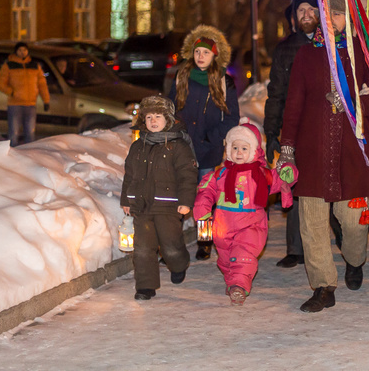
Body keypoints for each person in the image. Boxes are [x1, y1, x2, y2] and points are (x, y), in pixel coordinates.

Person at [278, 0, 369, 313]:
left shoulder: (363, 54)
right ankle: (323, 285)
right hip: (313, 155)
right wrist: (287, 147)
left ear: (347, 17)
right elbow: (293, 104)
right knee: (312, 225)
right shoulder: (306, 56)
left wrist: (353, 103)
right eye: (329, 13)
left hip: (353, 158)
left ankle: (355, 259)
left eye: (339, 13)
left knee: (354, 223)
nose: (333, 19)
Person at [193, 121, 297, 305]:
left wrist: (288, 173)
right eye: (235, 148)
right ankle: (233, 281)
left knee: (243, 255)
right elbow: (206, 191)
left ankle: (239, 286)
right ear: (228, 150)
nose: (239, 152)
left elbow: (280, 180)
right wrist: (203, 207)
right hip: (222, 228)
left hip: (251, 225)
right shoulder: (220, 175)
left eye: (244, 148)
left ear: (255, 151)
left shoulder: (261, 174)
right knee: (226, 261)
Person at [168, 25, 240, 260]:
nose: (201, 56)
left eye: (206, 52)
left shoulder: (224, 82)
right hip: (182, 148)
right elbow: (169, 108)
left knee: (205, 199)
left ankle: (205, 241)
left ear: (215, 55)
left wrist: (212, 137)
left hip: (208, 151)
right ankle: (172, 245)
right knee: (178, 196)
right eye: (197, 52)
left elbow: (231, 117)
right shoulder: (182, 76)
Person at [120, 96, 198, 301]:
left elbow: (187, 176)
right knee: (143, 249)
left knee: (170, 245)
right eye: (148, 117)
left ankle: (179, 264)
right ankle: (145, 286)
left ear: (168, 120)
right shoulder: (138, 147)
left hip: (168, 206)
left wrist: (185, 202)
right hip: (142, 206)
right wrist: (126, 200)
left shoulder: (178, 146)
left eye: (158, 116)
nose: (153, 121)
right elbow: (130, 175)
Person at [264, 0, 319, 269]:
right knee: (293, 183)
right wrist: (271, 131)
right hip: (294, 128)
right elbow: (276, 93)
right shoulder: (285, 48)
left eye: (312, 9)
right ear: (295, 16)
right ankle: (295, 248)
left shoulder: (331, 43)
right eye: (301, 10)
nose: (307, 15)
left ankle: (344, 245)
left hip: (324, 125)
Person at [0, 42, 51, 147]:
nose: (22, 53)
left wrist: (46, 100)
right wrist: (11, 92)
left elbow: (42, 84)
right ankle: (12, 156)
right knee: (14, 133)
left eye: (24, 50)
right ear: (16, 51)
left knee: (30, 133)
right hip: (15, 104)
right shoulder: (9, 65)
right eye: (20, 50)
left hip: (30, 105)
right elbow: (0, 83)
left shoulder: (35, 66)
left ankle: (28, 156)